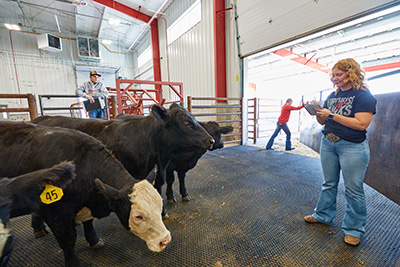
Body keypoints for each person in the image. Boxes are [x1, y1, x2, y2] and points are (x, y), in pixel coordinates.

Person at [304, 58, 377, 246]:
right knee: (329, 183)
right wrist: (318, 112)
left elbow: (361, 123)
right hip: (329, 143)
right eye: (333, 75)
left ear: (351, 74)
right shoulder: (333, 95)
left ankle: (354, 229)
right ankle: (323, 215)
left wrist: (331, 114)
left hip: (352, 146)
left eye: (339, 75)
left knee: (353, 189)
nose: (334, 78)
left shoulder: (363, 96)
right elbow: (324, 122)